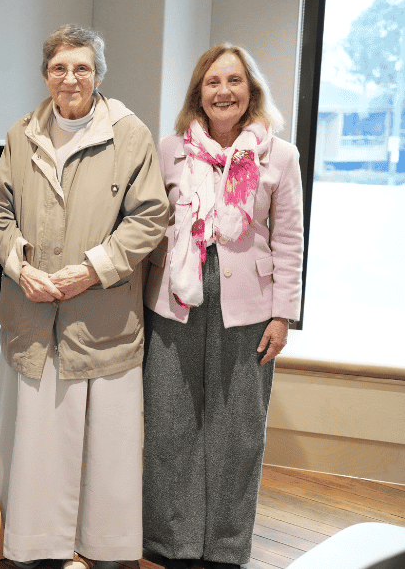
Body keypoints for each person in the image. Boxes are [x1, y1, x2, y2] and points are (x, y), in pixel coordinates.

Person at [0, 24, 169, 569]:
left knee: (104, 441)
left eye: (82, 67)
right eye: (60, 67)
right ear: (45, 74)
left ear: (99, 74)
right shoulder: (22, 134)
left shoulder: (130, 135)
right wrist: (20, 266)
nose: (70, 78)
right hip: (35, 310)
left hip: (101, 311)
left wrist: (93, 269)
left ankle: (102, 546)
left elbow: (151, 214)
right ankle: (37, 545)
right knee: (39, 437)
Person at [142, 44, 303, 569]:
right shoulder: (170, 150)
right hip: (176, 299)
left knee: (238, 428)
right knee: (171, 422)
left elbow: (288, 240)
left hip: (250, 305)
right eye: (213, 82)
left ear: (251, 91)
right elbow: (150, 226)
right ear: (199, 93)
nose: (224, 91)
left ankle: (226, 547)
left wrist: (284, 314)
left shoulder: (279, 155)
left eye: (234, 81)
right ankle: (172, 542)